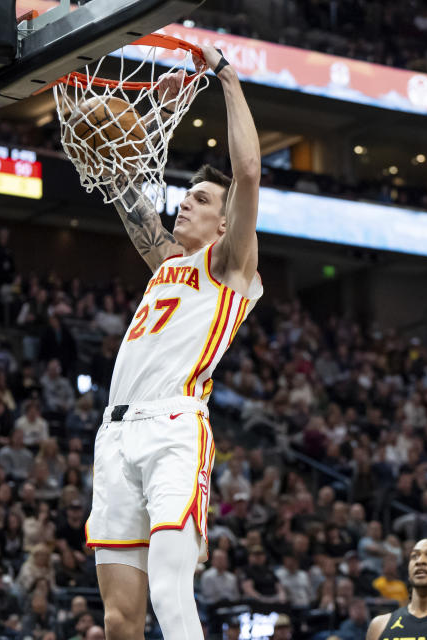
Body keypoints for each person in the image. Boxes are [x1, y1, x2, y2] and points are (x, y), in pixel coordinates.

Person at [85, 44, 263, 640]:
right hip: (113, 434)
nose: (187, 200)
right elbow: (122, 186)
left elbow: (248, 175)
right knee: (118, 618)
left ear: (225, 221)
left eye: (203, 200)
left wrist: (226, 81)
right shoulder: (166, 262)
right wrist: (123, 123)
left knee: (168, 586)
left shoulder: (231, 265)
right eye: (186, 194)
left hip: (173, 426)